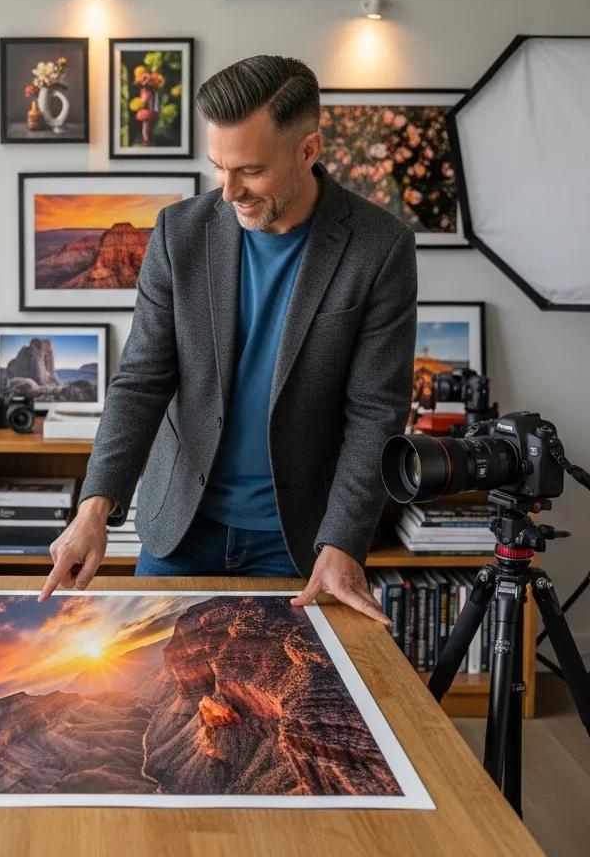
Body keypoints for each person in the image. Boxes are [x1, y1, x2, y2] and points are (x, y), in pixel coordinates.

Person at [39, 55, 417, 624]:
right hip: (180, 529)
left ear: (308, 151)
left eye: (250, 171)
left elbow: (375, 412)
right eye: (219, 166)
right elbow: (141, 380)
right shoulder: (178, 233)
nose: (228, 190)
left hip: (299, 542)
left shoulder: (379, 246)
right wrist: (95, 506)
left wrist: (343, 540)